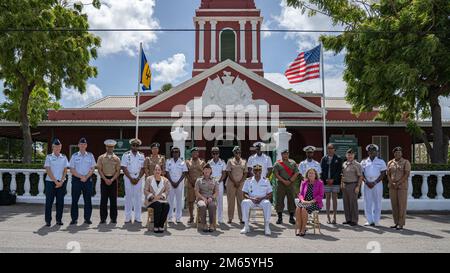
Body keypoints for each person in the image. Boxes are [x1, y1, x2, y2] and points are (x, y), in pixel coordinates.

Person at [69, 137, 96, 225]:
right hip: (77, 180)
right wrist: (81, 177)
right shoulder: (74, 156)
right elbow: (72, 169)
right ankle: (74, 219)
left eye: (84, 144)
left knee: (87, 200)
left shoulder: (90, 155)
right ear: (78, 145)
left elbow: (92, 168)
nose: (82, 146)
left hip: (87, 180)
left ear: (86, 145)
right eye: (81, 144)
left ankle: (87, 219)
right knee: (74, 200)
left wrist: (86, 177)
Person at [240, 164, 273, 236]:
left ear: (261, 171)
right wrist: (251, 198)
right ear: (253, 171)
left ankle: (267, 226)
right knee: (244, 202)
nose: (257, 172)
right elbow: (244, 193)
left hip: (262, 200)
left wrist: (262, 198)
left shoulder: (266, 180)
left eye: (259, 170)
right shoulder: (248, 181)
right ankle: (246, 226)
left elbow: (270, 193)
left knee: (267, 203)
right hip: (252, 200)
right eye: (255, 170)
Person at [43, 138, 69, 227]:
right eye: (56, 147)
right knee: (49, 202)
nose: (58, 148)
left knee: (60, 202)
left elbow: (65, 170)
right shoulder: (49, 157)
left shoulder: (64, 157)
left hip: (61, 183)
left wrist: (61, 181)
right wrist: (55, 181)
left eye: (59, 147)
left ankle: (59, 220)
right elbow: (48, 170)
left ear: (61, 147)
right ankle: (48, 221)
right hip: (50, 182)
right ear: (53, 147)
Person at [361, 144, 387, 227]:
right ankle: (369, 220)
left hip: (377, 183)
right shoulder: (364, 161)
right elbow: (361, 174)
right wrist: (366, 182)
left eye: (373, 150)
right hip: (366, 183)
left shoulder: (381, 161)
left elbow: (383, 173)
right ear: (368, 152)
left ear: (377, 152)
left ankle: (376, 221)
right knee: (367, 202)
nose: (371, 152)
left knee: (377, 202)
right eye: (370, 150)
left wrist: (375, 182)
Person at [121, 138, 145, 224]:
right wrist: (131, 178)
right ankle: (128, 217)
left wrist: (138, 178)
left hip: (138, 177)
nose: (135, 147)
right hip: (128, 177)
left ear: (138, 146)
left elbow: (143, 168)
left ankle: (138, 217)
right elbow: (124, 167)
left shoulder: (142, 156)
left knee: (138, 198)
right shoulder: (126, 155)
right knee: (128, 198)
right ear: (131, 146)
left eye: (137, 145)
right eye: (133, 145)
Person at [97, 139, 121, 224]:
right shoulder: (101, 157)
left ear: (113, 148)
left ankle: (113, 218)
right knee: (103, 200)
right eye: (108, 147)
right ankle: (103, 218)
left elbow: (118, 171)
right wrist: (105, 179)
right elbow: (99, 170)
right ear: (106, 147)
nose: (110, 148)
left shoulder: (117, 159)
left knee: (113, 201)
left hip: (113, 180)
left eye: (111, 147)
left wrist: (111, 179)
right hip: (104, 179)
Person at [387, 147, 411, 230]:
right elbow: (388, 174)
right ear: (394, 154)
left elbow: (406, 174)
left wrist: (398, 183)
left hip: (402, 187)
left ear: (402, 153)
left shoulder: (405, 162)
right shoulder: (390, 163)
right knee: (394, 205)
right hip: (392, 187)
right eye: (396, 152)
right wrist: (392, 182)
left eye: (399, 152)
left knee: (402, 205)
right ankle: (396, 223)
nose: (398, 154)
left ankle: (401, 224)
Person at [295, 168, 324, 236]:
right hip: (304, 201)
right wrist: (302, 200)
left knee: (304, 209)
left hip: (315, 203)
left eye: (312, 173)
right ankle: (300, 228)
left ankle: (303, 229)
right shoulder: (304, 182)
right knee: (298, 208)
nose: (310, 174)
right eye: (309, 173)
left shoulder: (320, 183)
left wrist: (311, 201)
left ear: (315, 174)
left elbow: (321, 195)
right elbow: (300, 194)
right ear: (307, 175)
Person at [273, 149, 299, 225]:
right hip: (281, 184)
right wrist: (284, 181)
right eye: (284, 154)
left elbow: (296, 173)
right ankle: (280, 217)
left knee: (291, 200)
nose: (285, 155)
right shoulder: (277, 163)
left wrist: (290, 181)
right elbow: (276, 174)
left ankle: (291, 218)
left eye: (287, 154)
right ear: (281, 154)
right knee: (279, 200)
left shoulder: (293, 162)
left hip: (290, 184)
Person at [320, 143, 343, 224]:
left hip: (335, 182)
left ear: (334, 149)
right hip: (326, 182)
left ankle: (334, 217)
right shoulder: (324, 158)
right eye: (328, 148)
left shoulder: (338, 158)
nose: (329, 149)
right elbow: (321, 170)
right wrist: (326, 180)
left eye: (331, 148)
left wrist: (333, 179)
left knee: (334, 199)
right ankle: (328, 217)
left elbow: (339, 171)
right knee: (327, 199)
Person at [144, 164, 170, 233]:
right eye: (156, 170)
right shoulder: (149, 179)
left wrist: (162, 196)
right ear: (153, 171)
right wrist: (151, 196)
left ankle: (161, 226)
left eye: (159, 170)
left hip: (161, 200)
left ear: (161, 171)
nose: (157, 171)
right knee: (158, 205)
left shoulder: (165, 180)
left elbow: (167, 191)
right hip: (151, 201)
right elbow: (145, 190)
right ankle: (156, 226)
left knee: (167, 205)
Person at [165, 146, 188, 223]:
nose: (175, 153)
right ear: (172, 153)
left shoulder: (182, 162)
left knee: (179, 201)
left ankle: (178, 217)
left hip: (179, 184)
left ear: (179, 153)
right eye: (174, 152)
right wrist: (171, 182)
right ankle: (170, 217)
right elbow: (167, 173)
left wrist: (177, 182)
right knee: (170, 200)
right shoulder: (168, 161)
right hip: (170, 183)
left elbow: (184, 173)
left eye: (177, 152)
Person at [225, 146, 248, 224]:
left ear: (240, 153)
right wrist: (235, 182)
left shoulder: (244, 161)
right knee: (231, 201)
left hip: (241, 184)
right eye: (236, 152)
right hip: (231, 183)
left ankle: (241, 218)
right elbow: (228, 172)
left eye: (239, 152)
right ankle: (230, 218)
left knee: (241, 201)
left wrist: (240, 182)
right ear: (233, 153)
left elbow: (245, 173)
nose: (237, 154)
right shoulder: (230, 161)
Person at [341, 148, 363, 226]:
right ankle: (348, 219)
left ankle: (354, 220)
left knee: (353, 203)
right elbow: (343, 175)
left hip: (353, 185)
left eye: (351, 154)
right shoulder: (344, 164)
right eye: (348, 154)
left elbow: (360, 177)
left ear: (354, 155)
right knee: (346, 203)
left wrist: (358, 187)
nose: (350, 156)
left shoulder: (357, 165)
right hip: (345, 185)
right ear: (346, 155)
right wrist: (342, 183)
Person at [195, 164, 219, 232]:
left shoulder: (215, 180)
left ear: (211, 171)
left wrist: (211, 198)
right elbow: (196, 192)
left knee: (212, 205)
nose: (207, 171)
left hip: (211, 199)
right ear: (203, 170)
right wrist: (203, 198)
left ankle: (211, 224)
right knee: (202, 206)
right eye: (205, 169)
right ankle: (204, 224)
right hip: (201, 198)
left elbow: (217, 192)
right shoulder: (199, 180)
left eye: (208, 169)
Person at [186, 147, 206, 223]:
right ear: (191, 153)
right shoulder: (188, 162)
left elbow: (205, 173)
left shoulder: (202, 162)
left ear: (198, 153)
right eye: (193, 152)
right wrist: (191, 181)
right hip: (190, 184)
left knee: (200, 201)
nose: (195, 154)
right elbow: (186, 173)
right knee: (190, 201)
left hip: (200, 185)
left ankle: (199, 217)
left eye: (196, 152)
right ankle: (191, 216)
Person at [207, 147, 227, 224]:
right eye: (213, 153)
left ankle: (220, 218)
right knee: (211, 200)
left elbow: (224, 173)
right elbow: (207, 173)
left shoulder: (222, 162)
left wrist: (218, 181)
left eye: (216, 153)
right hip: (211, 183)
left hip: (219, 182)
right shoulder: (209, 163)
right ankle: (212, 218)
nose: (215, 154)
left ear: (219, 154)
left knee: (219, 201)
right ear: (211, 154)